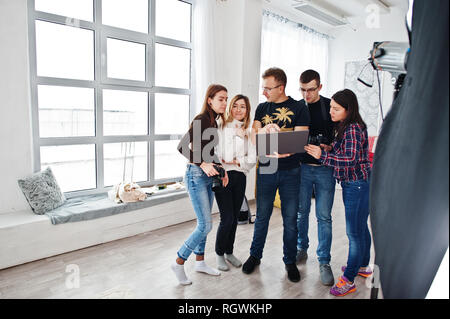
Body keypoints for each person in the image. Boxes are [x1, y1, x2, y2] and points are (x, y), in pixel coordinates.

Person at [242, 67, 310, 283]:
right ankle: (255, 255)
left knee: (290, 219)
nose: (264, 92)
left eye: (268, 88)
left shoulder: (299, 107)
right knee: (262, 216)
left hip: (291, 170)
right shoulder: (262, 108)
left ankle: (289, 261)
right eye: (263, 88)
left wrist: (283, 141)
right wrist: (264, 130)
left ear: (281, 88)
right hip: (267, 168)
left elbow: (300, 139)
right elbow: (254, 137)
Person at [305, 88, 372, 297]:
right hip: (357, 183)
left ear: (347, 109)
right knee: (361, 228)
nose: (331, 112)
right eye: (331, 108)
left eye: (335, 108)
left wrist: (321, 156)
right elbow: (345, 151)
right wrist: (328, 148)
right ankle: (362, 266)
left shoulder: (352, 129)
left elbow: (350, 160)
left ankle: (348, 279)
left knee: (354, 234)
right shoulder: (350, 126)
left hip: (356, 185)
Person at [172, 84, 229, 285]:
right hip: (195, 175)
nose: (225, 103)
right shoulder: (201, 119)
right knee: (206, 225)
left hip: (208, 175)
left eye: (226, 99)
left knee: (203, 224)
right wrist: (203, 163)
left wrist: (222, 170)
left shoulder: (214, 121)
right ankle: (179, 261)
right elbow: (182, 147)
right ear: (210, 100)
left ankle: (200, 262)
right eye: (221, 99)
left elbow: (209, 151)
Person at [296, 70, 336, 286]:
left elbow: (340, 136)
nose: (306, 94)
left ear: (320, 87)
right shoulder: (296, 107)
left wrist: (330, 146)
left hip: (325, 170)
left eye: (311, 90)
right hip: (301, 168)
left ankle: (324, 261)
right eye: (302, 90)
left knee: (324, 217)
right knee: (301, 213)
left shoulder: (330, 106)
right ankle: (302, 248)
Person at [214, 94, 256, 271]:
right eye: (235, 106)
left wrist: (238, 160)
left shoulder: (250, 131)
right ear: (230, 107)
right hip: (223, 175)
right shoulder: (220, 126)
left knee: (235, 219)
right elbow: (220, 153)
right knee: (227, 218)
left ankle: (229, 252)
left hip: (240, 176)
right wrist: (230, 158)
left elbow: (253, 157)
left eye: (243, 107)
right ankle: (219, 254)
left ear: (247, 110)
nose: (239, 110)